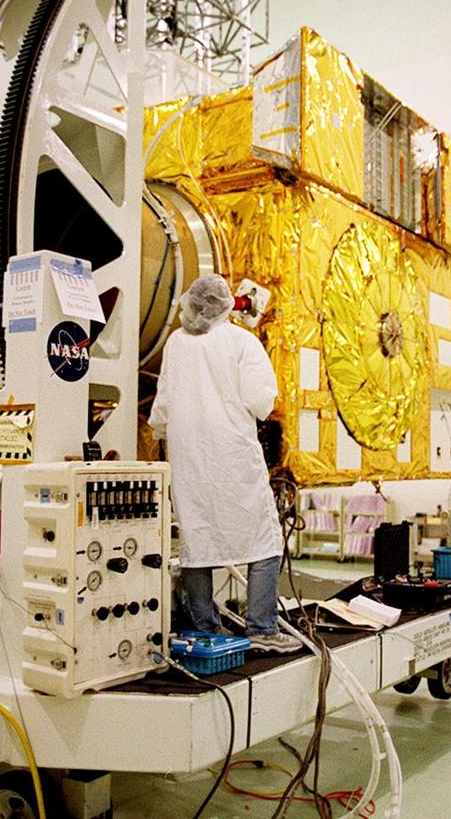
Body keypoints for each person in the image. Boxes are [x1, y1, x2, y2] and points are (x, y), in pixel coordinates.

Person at [148, 275, 301, 654]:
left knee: (197, 539)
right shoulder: (241, 342)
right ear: (226, 305)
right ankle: (262, 628)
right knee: (264, 541)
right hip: (232, 456)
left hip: (187, 457)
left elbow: (162, 409)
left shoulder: (175, 345)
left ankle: (206, 629)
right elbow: (261, 401)